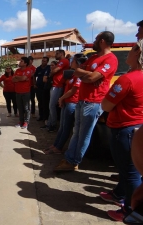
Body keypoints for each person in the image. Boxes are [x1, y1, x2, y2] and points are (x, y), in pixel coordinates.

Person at [54, 31, 118, 172]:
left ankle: (72, 161)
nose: (93, 41)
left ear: (102, 41)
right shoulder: (93, 57)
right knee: (76, 132)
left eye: (96, 39)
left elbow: (88, 77)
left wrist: (89, 76)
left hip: (94, 102)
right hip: (82, 100)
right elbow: (77, 71)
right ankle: (70, 158)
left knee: (84, 134)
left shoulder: (111, 59)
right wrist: (89, 76)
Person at [99, 39, 143, 222]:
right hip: (137, 126)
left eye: (133, 49)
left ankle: (130, 211)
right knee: (129, 169)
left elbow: (106, 105)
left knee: (130, 172)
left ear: (139, 55)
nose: (129, 52)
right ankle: (119, 193)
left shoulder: (128, 79)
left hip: (125, 129)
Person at [43, 69, 81, 154]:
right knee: (62, 126)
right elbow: (67, 88)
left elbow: (73, 90)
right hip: (66, 102)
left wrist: (61, 98)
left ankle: (59, 147)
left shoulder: (78, 77)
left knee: (66, 127)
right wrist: (62, 99)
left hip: (72, 103)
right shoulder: (72, 75)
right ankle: (55, 145)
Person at [47, 49, 70, 132]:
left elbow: (54, 70)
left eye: (57, 54)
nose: (55, 55)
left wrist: (52, 72)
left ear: (61, 54)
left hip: (58, 85)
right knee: (51, 106)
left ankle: (53, 124)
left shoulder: (63, 61)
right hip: (55, 85)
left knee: (52, 106)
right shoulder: (62, 61)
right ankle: (49, 124)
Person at [12, 57, 32, 129]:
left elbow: (23, 78)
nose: (19, 62)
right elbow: (13, 80)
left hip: (25, 92)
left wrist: (18, 78)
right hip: (18, 92)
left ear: (25, 63)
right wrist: (20, 78)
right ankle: (21, 121)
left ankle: (26, 122)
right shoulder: (17, 70)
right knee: (20, 108)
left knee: (26, 108)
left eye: (21, 61)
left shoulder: (28, 70)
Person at [33, 57, 50, 122]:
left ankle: (46, 117)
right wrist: (34, 84)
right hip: (38, 88)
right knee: (40, 102)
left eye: (44, 61)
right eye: (42, 61)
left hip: (45, 88)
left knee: (45, 103)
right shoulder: (38, 68)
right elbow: (34, 76)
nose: (43, 62)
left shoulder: (48, 68)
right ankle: (41, 116)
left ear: (47, 62)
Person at [40, 60, 57, 128]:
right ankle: (47, 121)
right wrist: (49, 79)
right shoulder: (48, 71)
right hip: (46, 89)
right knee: (46, 105)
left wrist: (49, 79)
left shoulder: (56, 73)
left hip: (52, 89)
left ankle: (53, 123)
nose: (51, 66)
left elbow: (50, 80)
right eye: (51, 65)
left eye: (53, 65)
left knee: (51, 106)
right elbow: (44, 79)